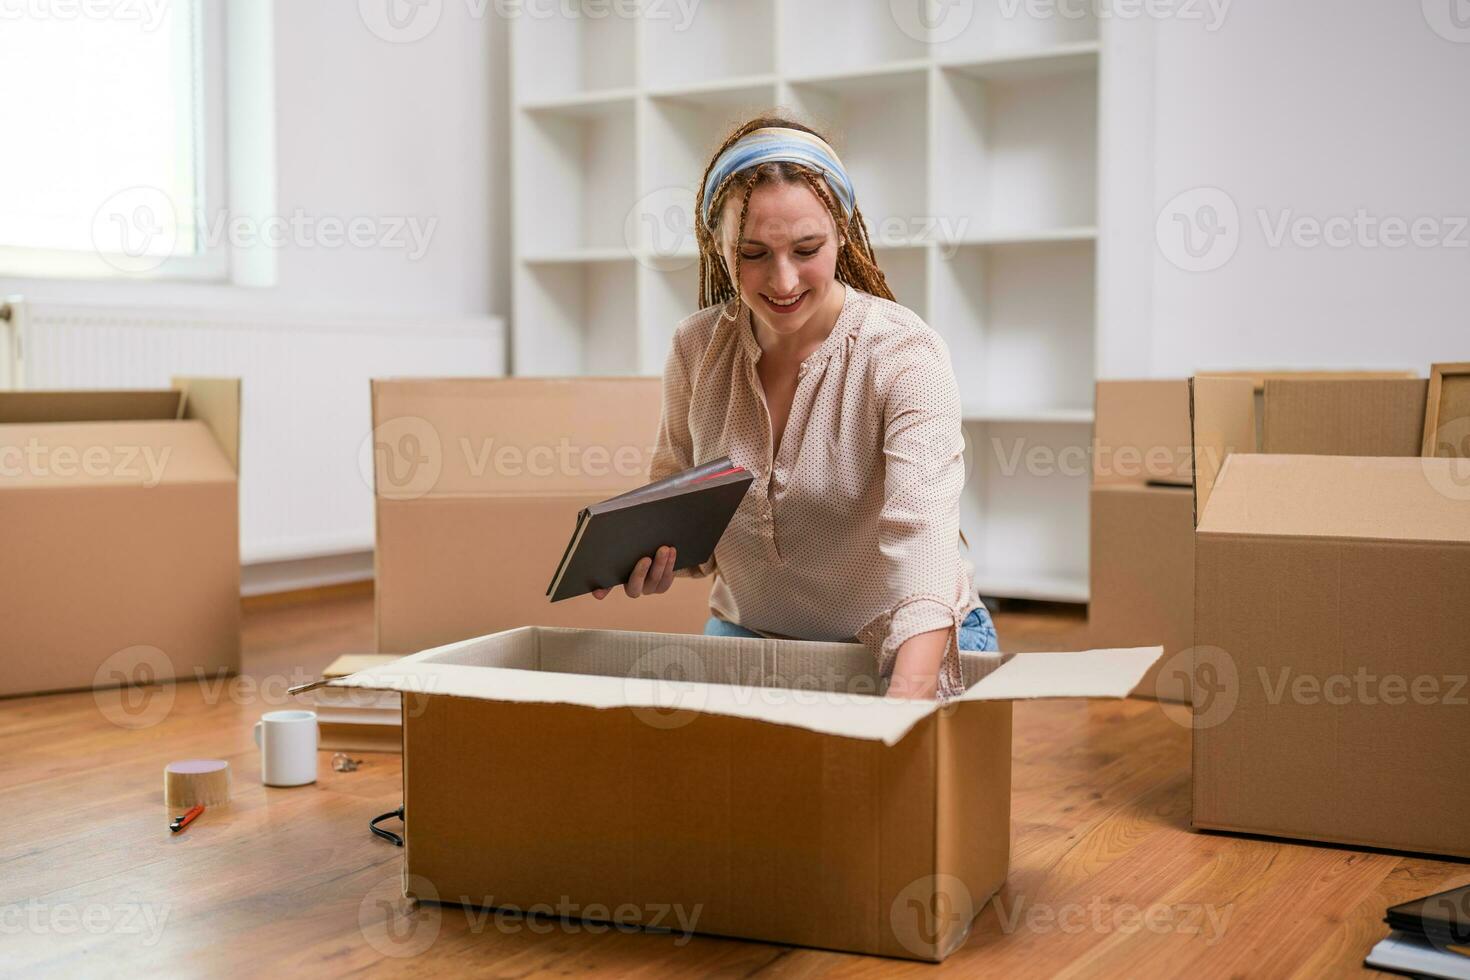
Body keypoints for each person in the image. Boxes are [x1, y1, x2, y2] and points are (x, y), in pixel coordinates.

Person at [593, 114, 997, 701]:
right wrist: (651, 557)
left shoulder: (905, 355)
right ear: (717, 245)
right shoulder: (697, 347)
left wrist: (900, 708)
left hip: (902, 645)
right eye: (752, 253)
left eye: (806, 249)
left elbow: (924, 555)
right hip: (752, 635)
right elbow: (682, 511)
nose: (782, 281)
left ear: (842, 234)